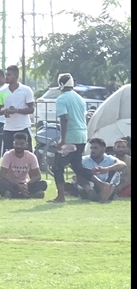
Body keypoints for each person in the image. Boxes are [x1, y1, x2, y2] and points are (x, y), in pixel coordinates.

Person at [49, 73, 90, 204]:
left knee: (57, 166)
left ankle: (61, 196)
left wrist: (62, 140)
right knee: (77, 166)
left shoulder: (61, 99)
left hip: (70, 137)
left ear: (60, 84)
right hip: (82, 135)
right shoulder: (80, 99)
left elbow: (64, 119)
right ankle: (99, 184)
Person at [0, 132, 47, 199]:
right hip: (12, 184)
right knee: (0, 182)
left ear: (26, 144)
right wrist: (17, 185)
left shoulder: (31, 156)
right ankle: (28, 195)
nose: (19, 146)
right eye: (16, 143)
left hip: (25, 185)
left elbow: (38, 176)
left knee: (43, 183)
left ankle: (14, 195)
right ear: (13, 144)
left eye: (21, 144)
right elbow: (2, 174)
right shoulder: (8, 155)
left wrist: (26, 184)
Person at [74, 137, 126, 203]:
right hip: (90, 186)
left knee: (116, 172)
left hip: (106, 185)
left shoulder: (109, 158)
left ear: (103, 149)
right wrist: (89, 172)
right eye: (91, 148)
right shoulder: (84, 159)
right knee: (81, 171)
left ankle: (105, 195)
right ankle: (90, 191)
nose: (92, 150)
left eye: (95, 148)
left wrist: (107, 169)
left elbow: (123, 165)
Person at [0, 65, 35, 152]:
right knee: (8, 156)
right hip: (8, 129)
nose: (6, 77)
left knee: (27, 155)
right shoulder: (2, 92)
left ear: (16, 76)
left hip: (23, 128)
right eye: (6, 75)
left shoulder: (26, 90)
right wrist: (4, 112)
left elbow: (31, 109)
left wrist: (17, 111)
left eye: (9, 75)